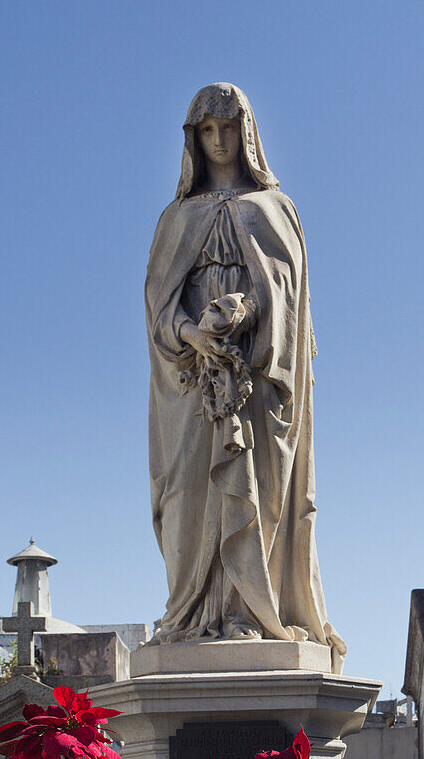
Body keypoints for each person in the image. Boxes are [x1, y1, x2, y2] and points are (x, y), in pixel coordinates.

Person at [145, 83, 345, 672]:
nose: (220, 141)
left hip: (258, 379)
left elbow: (291, 299)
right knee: (188, 492)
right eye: (208, 131)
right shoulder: (176, 218)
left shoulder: (275, 210)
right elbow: (158, 307)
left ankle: (252, 612)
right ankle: (195, 616)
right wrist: (192, 334)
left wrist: (246, 313)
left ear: (248, 133)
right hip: (191, 383)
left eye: (229, 129)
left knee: (259, 489)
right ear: (194, 140)